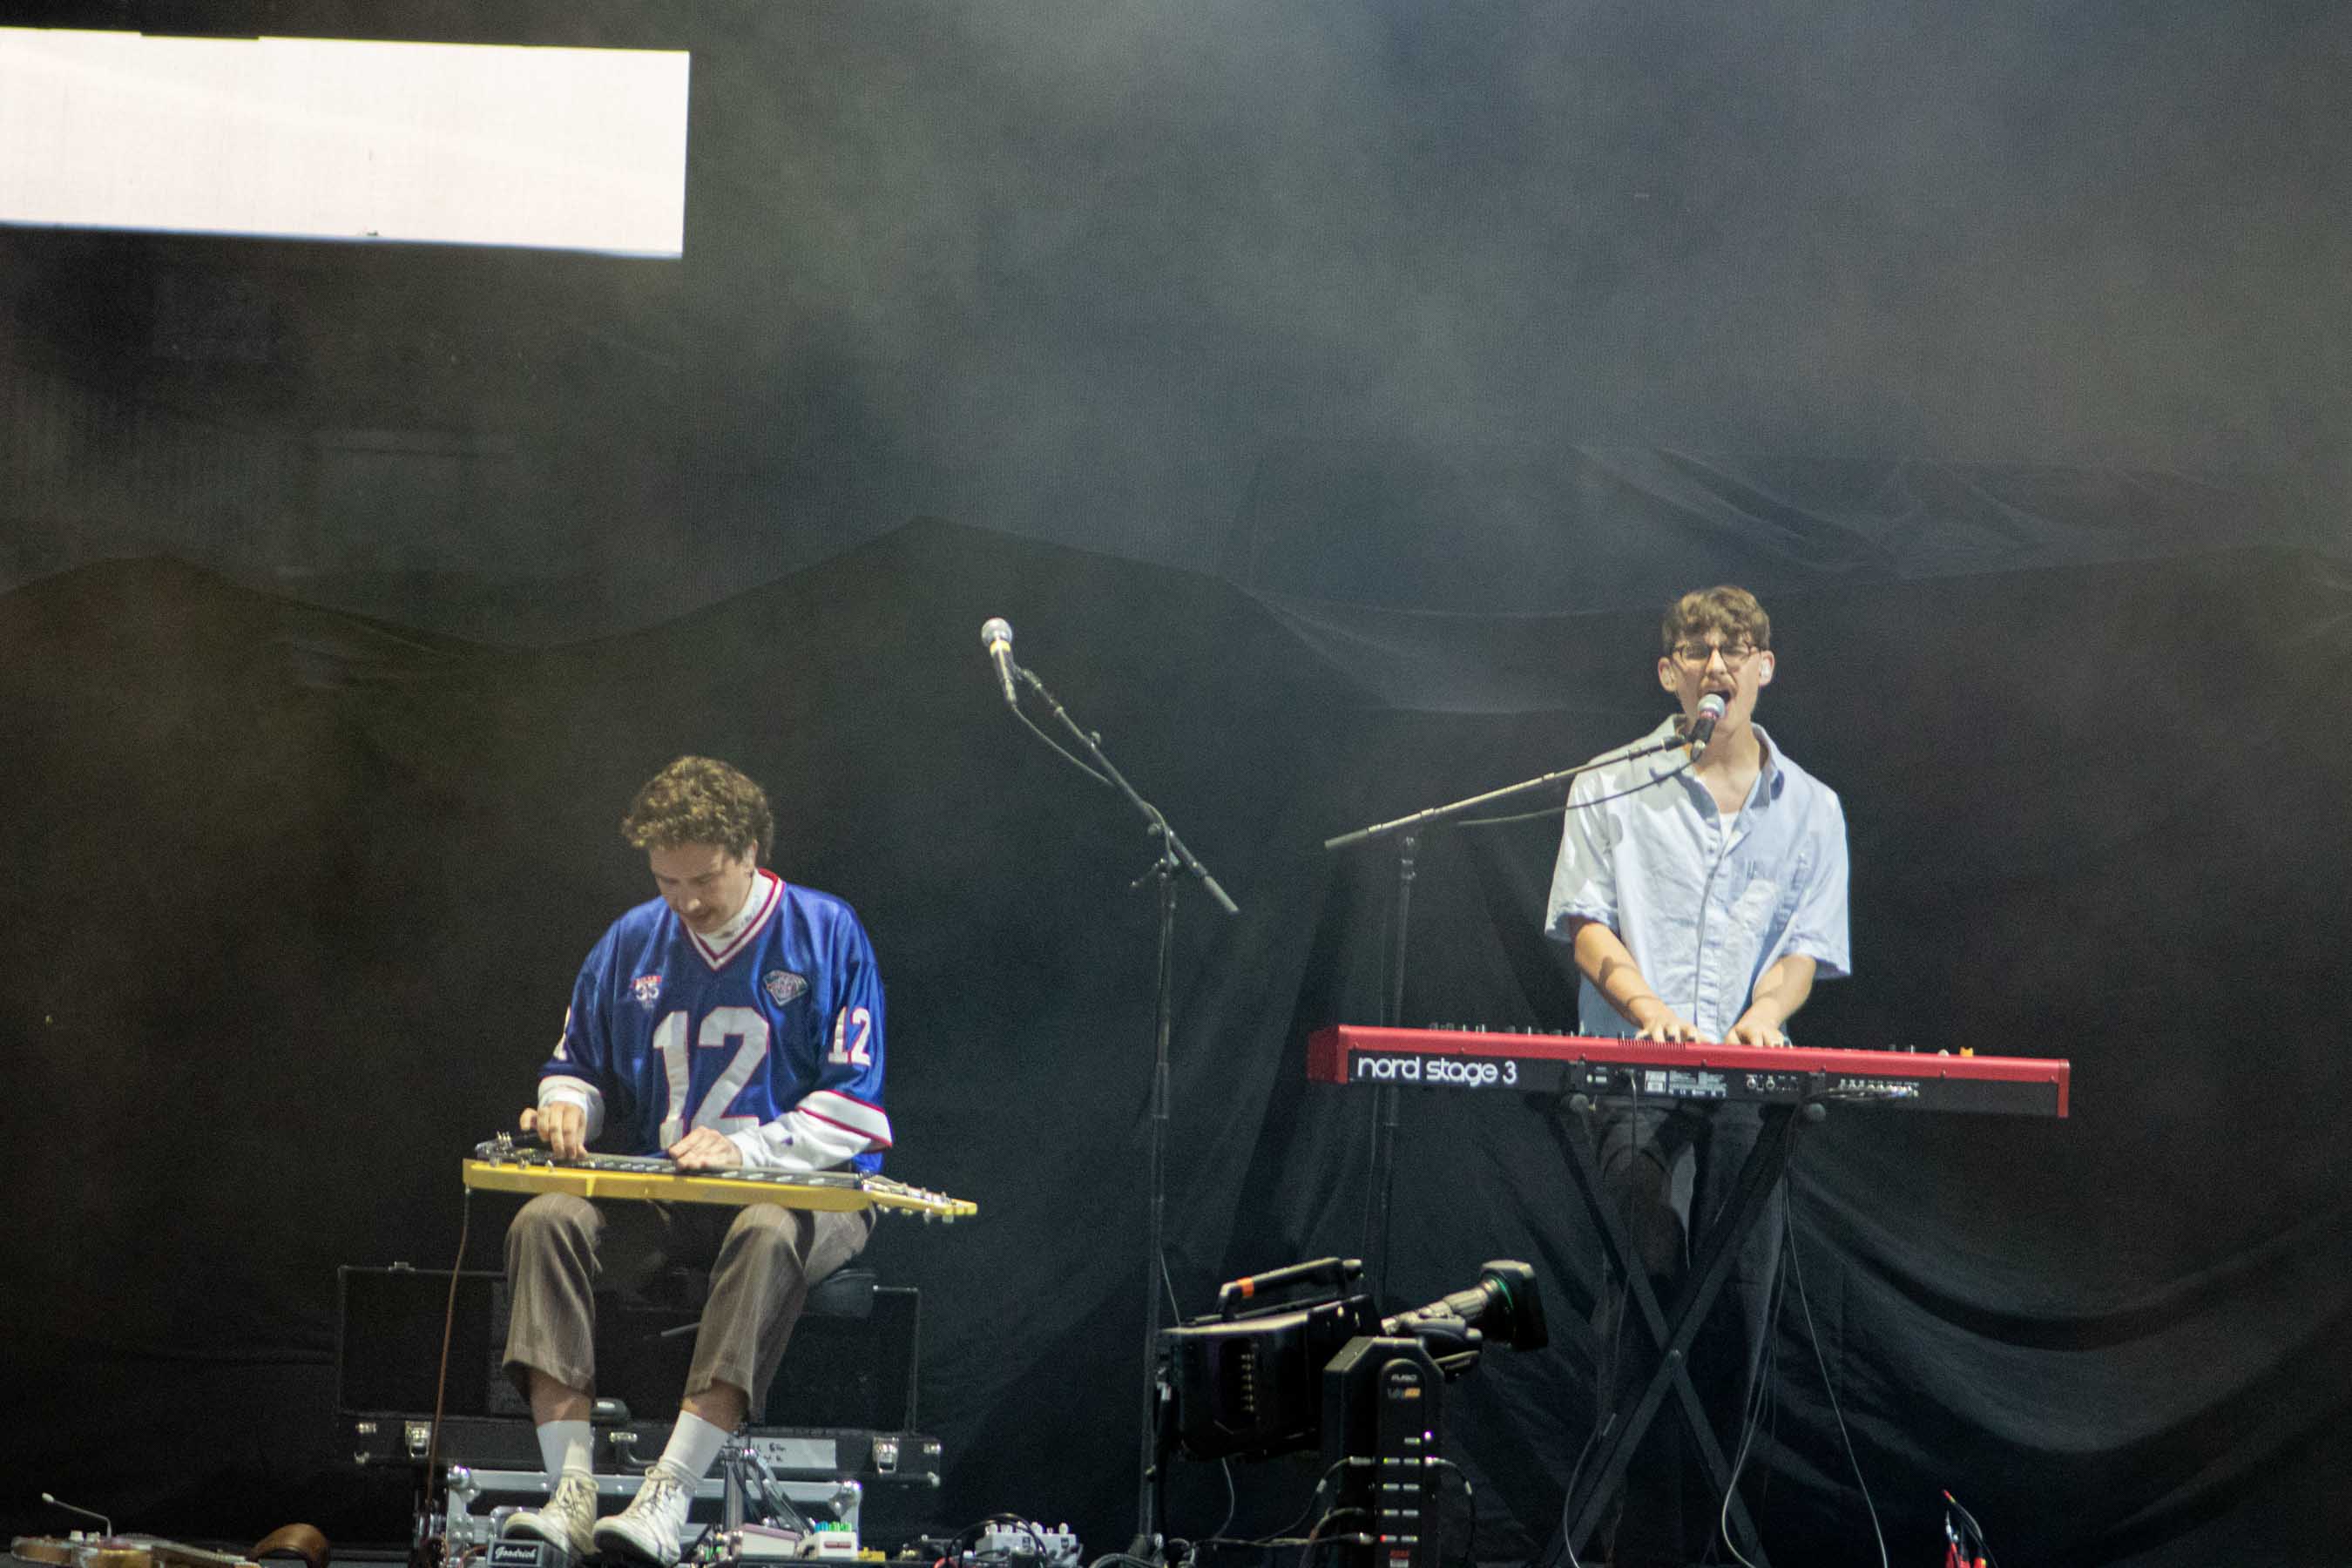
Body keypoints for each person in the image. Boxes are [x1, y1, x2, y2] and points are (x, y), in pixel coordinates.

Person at [500, 756, 892, 1567]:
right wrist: (571, 1104)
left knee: (766, 1225)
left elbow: (853, 1111)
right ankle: (569, 1492)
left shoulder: (825, 933)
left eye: (702, 881)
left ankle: (670, 1489)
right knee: (546, 1221)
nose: (683, 902)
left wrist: (746, 1147)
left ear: (751, 853)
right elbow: (577, 1062)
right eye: (665, 880)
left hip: (810, 1196)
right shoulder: (632, 941)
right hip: (671, 1194)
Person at [1544, 586, 1849, 1568]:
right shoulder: (1609, 784)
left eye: (1737, 647)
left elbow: (1806, 946)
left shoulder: (1811, 807)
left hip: (1746, 1095)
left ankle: (1714, 1548)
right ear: (1668, 672)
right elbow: (1586, 924)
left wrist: (1764, 1016)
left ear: (1767, 666)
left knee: (1734, 1325)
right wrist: (1648, 1012)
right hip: (1636, 1081)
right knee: (1647, 1306)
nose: (1717, 663)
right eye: (1697, 648)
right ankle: (1630, 1552)